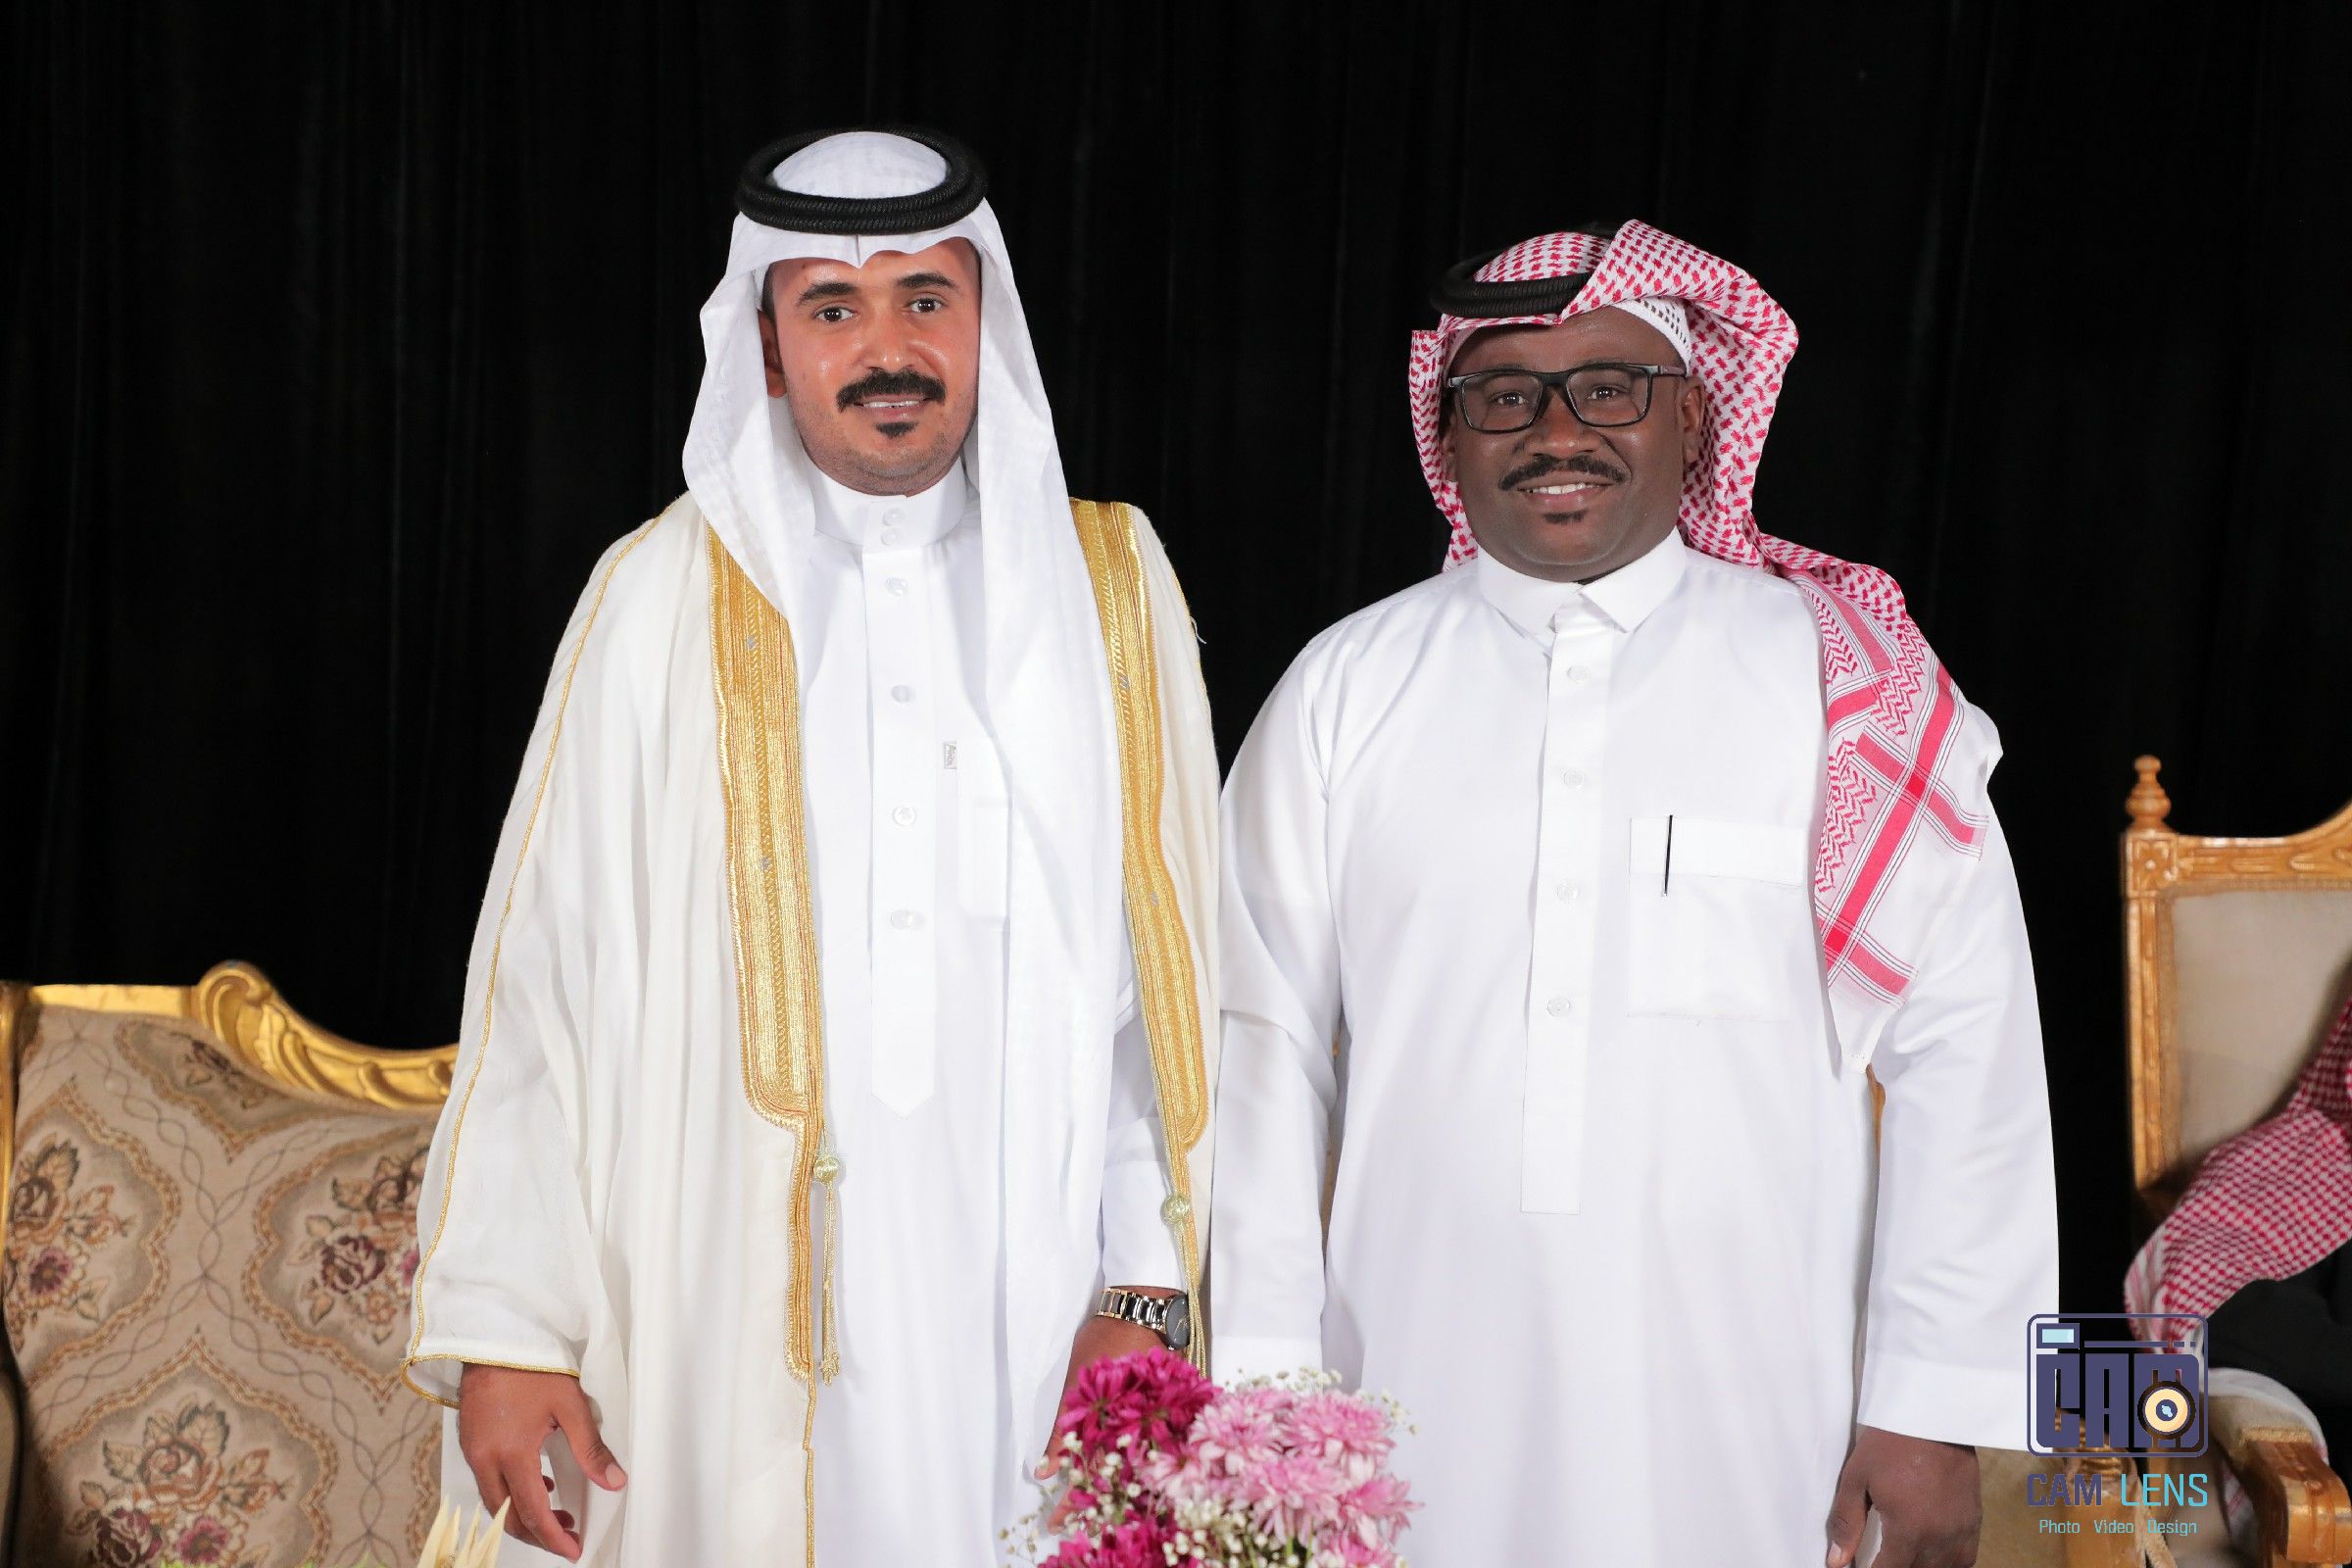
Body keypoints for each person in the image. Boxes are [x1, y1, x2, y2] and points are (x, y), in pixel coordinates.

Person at [402, 128, 1219, 1567]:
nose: (887, 349)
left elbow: (1171, 992)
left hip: (1037, 1330)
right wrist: (511, 1330)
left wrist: (1147, 1295)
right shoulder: (659, 595)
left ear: (985, 322)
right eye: (833, 308)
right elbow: (545, 980)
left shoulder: (1107, 585)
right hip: (718, 1325)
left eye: (925, 298)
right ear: (769, 349)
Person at [1208, 220, 2058, 1568]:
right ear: (1450, 434)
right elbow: (1256, 1051)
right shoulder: (1342, 690)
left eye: (1610, 388)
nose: (1558, 431)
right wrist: (1265, 1386)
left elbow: (1971, 1057)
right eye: (1505, 396)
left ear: (1695, 416)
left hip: (1761, 1411)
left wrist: (1934, 1411)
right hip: (1406, 1396)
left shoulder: (1849, 688)